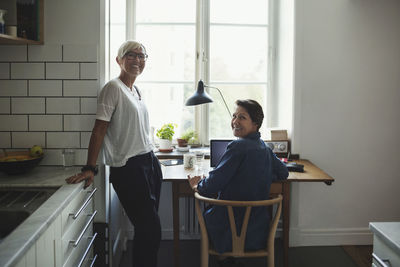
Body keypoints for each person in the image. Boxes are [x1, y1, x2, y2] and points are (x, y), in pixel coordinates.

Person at [65, 40, 162, 267]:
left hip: (148, 162)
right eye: (131, 55)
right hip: (129, 168)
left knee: (148, 229)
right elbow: (99, 130)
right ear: (119, 60)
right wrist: (89, 168)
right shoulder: (113, 88)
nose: (137, 60)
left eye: (141, 56)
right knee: (151, 229)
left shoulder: (136, 90)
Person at [188, 99, 289, 266]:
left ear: (255, 123)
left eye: (242, 117)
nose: (235, 121)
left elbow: (213, 185)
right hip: (256, 229)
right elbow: (283, 173)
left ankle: (224, 255)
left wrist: (196, 185)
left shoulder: (237, 146)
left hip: (229, 226)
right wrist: (258, 174)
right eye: (234, 116)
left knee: (210, 208)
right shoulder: (264, 147)